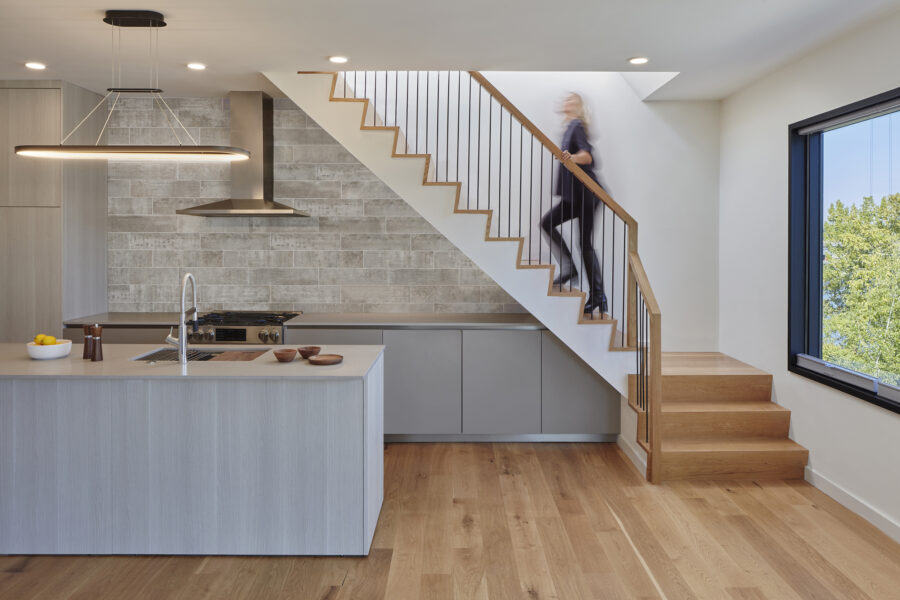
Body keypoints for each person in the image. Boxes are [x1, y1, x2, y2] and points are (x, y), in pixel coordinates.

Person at [540, 92, 608, 315]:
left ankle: (598, 295)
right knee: (547, 223)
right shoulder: (569, 127)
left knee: (585, 244)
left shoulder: (577, 125)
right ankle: (570, 268)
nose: (566, 102)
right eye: (566, 99)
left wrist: (571, 157)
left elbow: (587, 156)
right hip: (574, 196)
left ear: (578, 107)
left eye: (572, 100)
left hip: (587, 194)